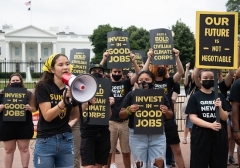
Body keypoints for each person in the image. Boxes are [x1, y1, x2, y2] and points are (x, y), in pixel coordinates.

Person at [31, 53, 86, 168]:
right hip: (46, 140)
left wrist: (86, 103)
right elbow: (47, 116)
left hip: (66, 139)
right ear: (52, 69)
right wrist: (63, 101)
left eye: (67, 64)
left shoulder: (72, 87)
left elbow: (74, 115)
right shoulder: (44, 86)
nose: (65, 67)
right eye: (60, 65)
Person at [119, 70, 173, 168]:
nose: (144, 81)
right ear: (137, 82)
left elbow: (170, 115)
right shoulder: (131, 95)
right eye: (141, 79)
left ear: (153, 82)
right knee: (140, 165)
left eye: (147, 79)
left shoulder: (160, 95)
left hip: (157, 136)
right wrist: (129, 110)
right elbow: (121, 114)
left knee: (158, 165)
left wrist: (166, 111)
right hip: (137, 136)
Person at [142, 48, 185, 168]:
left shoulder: (169, 81)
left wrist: (177, 56)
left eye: (163, 65)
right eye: (158, 64)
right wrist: (149, 57)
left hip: (168, 119)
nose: (161, 66)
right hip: (152, 120)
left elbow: (180, 72)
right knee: (157, 154)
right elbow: (142, 74)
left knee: (176, 150)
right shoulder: (149, 81)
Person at [100, 50, 140, 168]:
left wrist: (133, 60)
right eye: (115, 71)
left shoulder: (126, 83)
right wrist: (104, 59)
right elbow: (95, 75)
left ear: (122, 73)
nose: (117, 73)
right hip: (110, 122)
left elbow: (139, 73)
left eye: (119, 71)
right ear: (110, 72)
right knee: (108, 152)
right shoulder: (105, 83)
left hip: (125, 123)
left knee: (126, 152)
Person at [186, 69, 230, 168]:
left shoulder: (219, 96)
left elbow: (225, 116)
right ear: (200, 80)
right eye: (205, 78)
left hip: (218, 136)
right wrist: (210, 125)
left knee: (219, 163)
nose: (208, 80)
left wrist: (220, 108)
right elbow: (192, 118)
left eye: (211, 78)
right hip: (200, 135)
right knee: (199, 163)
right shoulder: (195, 97)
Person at [80, 64, 114, 168]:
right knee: (89, 165)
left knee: (99, 165)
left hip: (103, 131)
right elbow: (76, 112)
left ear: (104, 74)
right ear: (89, 74)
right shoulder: (82, 88)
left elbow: (108, 116)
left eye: (100, 71)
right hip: (88, 131)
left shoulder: (108, 89)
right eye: (94, 71)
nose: (97, 73)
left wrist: (109, 105)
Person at [0, 73, 35, 168]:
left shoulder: (28, 94)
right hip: (7, 125)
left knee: (24, 149)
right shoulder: (2, 94)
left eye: (17, 80)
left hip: (24, 125)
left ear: (21, 81)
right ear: (9, 82)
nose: (15, 82)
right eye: (13, 81)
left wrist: (29, 108)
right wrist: (1, 107)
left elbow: (35, 108)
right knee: (8, 150)